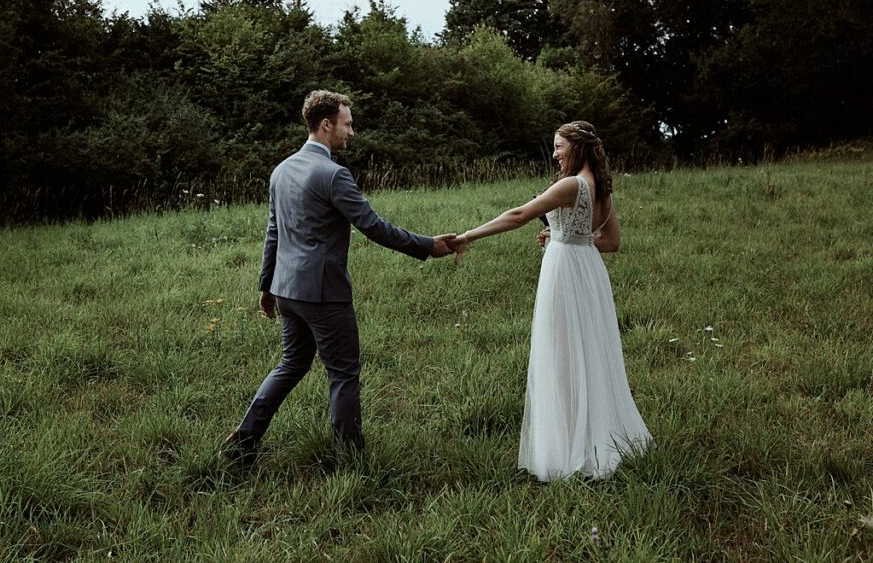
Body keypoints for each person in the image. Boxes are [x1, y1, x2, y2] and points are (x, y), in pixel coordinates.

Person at [221, 90, 456, 465]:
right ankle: (351, 460)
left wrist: (267, 287)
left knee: (291, 365)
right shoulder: (332, 174)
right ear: (326, 125)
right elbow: (374, 228)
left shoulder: (281, 170)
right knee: (343, 374)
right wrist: (428, 246)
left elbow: (273, 234)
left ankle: (244, 440)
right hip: (323, 293)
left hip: (287, 291)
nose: (352, 132)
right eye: (347, 124)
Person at [448, 121, 651, 481]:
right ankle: (592, 431)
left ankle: (569, 445)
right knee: (587, 351)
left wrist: (468, 236)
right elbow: (610, 241)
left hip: (565, 273)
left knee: (561, 353)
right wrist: (564, 237)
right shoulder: (601, 187)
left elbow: (519, 215)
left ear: (577, 147)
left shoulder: (571, 185)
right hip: (587, 270)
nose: (554, 153)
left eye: (559, 147)